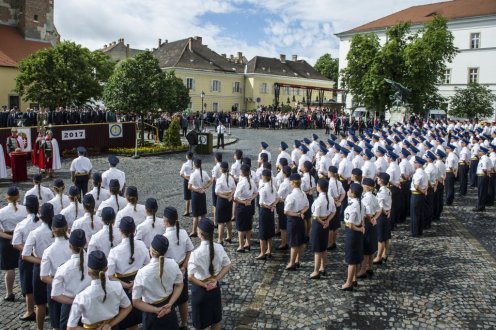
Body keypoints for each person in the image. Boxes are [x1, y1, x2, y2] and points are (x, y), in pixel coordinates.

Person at [66, 250, 132, 330]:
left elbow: (70, 327)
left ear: (88, 272)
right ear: (107, 268)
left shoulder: (82, 296)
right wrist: (110, 324)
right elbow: (128, 307)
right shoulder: (117, 286)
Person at [107, 216, 150, 330]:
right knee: (137, 314)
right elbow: (148, 265)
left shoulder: (114, 251)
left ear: (120, 231)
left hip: (123, 287)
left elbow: (110, 276)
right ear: (134, 230)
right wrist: (135, 282)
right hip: (139, 283)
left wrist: (127, 285)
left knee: (125, 316)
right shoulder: (141, 245)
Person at [187, 218, 231, 330]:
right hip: (214, 287)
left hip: (200, 289)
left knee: (200, 324)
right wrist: (216, 279)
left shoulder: (195, 254)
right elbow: (227, 265)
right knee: (215, 320)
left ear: (200, 234)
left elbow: (190, 277)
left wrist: (204, 285)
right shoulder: (219, 247)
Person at [132, 235, 184, 330]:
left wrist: (156, 310)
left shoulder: (142, 273)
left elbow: (136, 302)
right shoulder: (173, 264)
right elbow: (179, 285)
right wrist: (170, 304)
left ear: (151, 251)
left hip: (151, 313)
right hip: (169, 309)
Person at [21, 203, 54, 330]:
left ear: (40, 216)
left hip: (39, 267)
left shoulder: (35, 233)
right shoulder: (59, 230)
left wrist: (41, 261)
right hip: (55, 268)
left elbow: (25, 255)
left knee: (40, 304)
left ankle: (39, 328)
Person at [51, 229, 91, 330]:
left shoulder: (63, 268)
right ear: (85, 243)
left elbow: (55, 295)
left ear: (70, 246)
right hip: (91, 304)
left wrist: (75, 301)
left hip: (70, 306)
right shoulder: (93, 262)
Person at [163, 207, 194, 330]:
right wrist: (184, 266)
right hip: (182, 269)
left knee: (169, 299)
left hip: (169, 271)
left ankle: (172, 323)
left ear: (165, 221)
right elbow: (189, 250)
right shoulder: (183, 233)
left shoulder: (164, 237)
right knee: (183, 299)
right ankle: (184, 323)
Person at [40, 215, 72, 330]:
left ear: (52, 229)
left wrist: (58, 283)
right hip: (72, 283)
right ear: (66, 227)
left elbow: (43, 277)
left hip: (55, 285)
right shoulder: (73, 245)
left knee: (56, 323)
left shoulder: (48, 251)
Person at [12, 195, 40, 321]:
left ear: (26, 208)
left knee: (27, 285)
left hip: (27, 258)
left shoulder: (22, 224)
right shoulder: (43, 221)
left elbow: (16, 243)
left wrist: (28, 251)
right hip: (41, 256)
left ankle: (29, 311)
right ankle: (42, 306)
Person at [0, 186, 27, 302]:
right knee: (25, 269)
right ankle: (27, 292)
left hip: (7, 239)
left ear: (7, 198)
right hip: (23, 239)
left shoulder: (1, 212)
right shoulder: (25, 209)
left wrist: (11, 237)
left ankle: (9, 293)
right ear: (18, 196)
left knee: (9, 269)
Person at [309, 179, 336, 279]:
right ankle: (322, 267)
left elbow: (315, 216)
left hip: (319, 224)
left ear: (319, 188)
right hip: (326, 223)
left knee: (317, 249)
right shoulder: (330, 197)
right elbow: (333, 211)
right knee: (324, 248)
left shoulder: (319, 200)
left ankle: (316, 271)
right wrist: (327, 221)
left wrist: (322, 222)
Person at [341, 183, 365, 291]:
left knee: (351, 260)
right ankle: (354, 279)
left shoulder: (352, 206)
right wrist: (362, 227)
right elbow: (363, 218)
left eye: (349, 189)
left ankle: (348, 282)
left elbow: (350, 224)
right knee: (356, 257)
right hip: (358, 231)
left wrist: (359, 228)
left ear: (353, 193)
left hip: (353, 232)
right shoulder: (360, 203)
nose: (348, 190)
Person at [284, 173, 309, 270]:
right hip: (301, 219)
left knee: (294, 243)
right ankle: (298, 260)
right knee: (301, 241)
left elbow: (286, 211)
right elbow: (307, 205)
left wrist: (297, 213)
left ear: (293, 183)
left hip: (293, 220)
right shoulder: (303, 193)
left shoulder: (291, 196)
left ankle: (292, 263)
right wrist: (301, 212)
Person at [233, 164, 258, 252]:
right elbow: (256, 192)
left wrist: (244, 202)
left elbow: (235, 198)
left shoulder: (241, 183)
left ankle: (241, 245)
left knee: (241, 227)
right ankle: (248, 243)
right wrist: (250, 199)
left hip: (242, 206)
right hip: (249, 205)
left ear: (242, 172)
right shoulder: (251, 181)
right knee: (248, 226)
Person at [357, 178, 379, 278]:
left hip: (367, 222)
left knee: (366, 246)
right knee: (371, 246)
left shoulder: (367, 198)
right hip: (372, 222)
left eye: (363, 184)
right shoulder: (373, 196)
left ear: (366, 187)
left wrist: (371, 219)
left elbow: (367, 213)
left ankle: (363, 270)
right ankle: (370, 267)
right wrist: (375, 218)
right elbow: (379, 210)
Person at [257, 169, 278, 260]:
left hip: (265, 211)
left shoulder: (263, 188)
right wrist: (273, 205)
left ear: (264, 177)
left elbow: (261, 203)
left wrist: (269, 206)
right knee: (269, 231)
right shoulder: (272, 186)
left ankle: (262, 252)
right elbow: (278, 198)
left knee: (263, 232)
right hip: (271, 211)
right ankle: (269, 250)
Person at [188, 158, 212, 237]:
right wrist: (204, 187)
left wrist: (197, 190)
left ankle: (194, 231)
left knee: (195, 215)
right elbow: (210, 181)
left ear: (194, 165)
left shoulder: (193, 174)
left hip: (195, 194)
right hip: (202, 194)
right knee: (203, 214)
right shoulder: (204, 173)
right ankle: (203, 229)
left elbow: (189, 187)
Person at [215, 161, 236, 244]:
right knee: (228, 220)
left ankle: (220, 239)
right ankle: (229, 236)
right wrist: (230, 196)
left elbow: (217, 192)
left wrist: (225, 196)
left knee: (220, 222)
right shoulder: (231, 178)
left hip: (221, 200)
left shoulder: (220, 179)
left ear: (221, 169)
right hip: (229, 200)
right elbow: (234, 188)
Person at [373, 173, 392, 264]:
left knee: (380, 238)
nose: (377, 179)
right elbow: (389, 203)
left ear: (381, 181)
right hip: (387, 215)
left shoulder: (381, 192)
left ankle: (378, 257)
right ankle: (385, 254)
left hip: (381, 216)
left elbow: (380, 207)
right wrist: (388, 212)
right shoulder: (388, 190)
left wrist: (384, 213)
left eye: (378, 178)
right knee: (386, 236)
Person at [327, 166, 345, 250]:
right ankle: (333, 242)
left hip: (332, 205)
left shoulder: (330, 183)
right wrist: (339, 201)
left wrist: (335, 202)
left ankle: (330, 243)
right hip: (338, 204)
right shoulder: (339, 182)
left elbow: (329, 196)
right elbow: (343, 193)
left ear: (331, 173)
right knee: (336, 224)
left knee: (331, 226)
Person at [410, 156, 428, 237]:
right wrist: (424, 191)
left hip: (416, 195)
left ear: (418, 164)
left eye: (415, 162)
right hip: (421, 195)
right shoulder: (424, 172)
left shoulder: (418, 173)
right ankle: (419, 231)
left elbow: (416, 186)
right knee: (420, 213)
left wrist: (422, 191)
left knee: (415, 214)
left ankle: (415, 232)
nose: (414, 164)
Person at [276, 165, 292, 250]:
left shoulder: (283, 184)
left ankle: (283, 243)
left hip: (284, 204)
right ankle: (288, 240)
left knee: (282, 226)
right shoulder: (292, 182)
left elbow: (278, 196)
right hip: (291, 205)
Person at [474, 147, 491, 212]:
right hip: (484, 176)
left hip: (482, 176)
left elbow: (484, 169)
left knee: (481, 192)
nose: (478, 152)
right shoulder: (486, 158)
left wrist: (487, 175)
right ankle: (482, 206)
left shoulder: (484, 159)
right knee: (483, 192)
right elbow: (491, 167)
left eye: (479, 151)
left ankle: (480, 206)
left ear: (483, 152)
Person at [179, 151, 194, 216]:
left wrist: (187, 178)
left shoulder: (185, 164)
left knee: (187, 197)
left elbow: (181, 174)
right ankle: (194, 210)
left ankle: (187, 211)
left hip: (187, 180)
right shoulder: (194, 163)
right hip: (193, 180)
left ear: (187, 156)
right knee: (193, 195)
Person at [211, 152, 223, 225]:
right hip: (223, 186)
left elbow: (214, 178)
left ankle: (215, 221)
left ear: (216, 159)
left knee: (215, 205)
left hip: (216, 185)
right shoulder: (223, 166)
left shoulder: (215, 167)